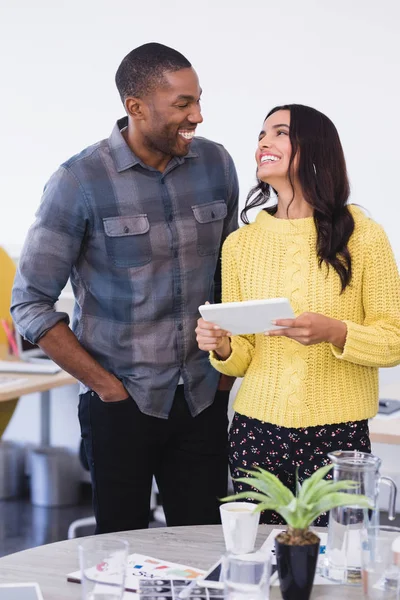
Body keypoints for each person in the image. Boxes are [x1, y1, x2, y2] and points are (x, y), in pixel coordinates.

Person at [11, 43, 239, 533]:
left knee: (203, 547)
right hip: (121, 404)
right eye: (182, 104)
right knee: (119, 554)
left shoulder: (217, 165)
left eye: (198, 100)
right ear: (135, 107)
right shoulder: (78, 181)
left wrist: (224, 378)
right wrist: (105, 387)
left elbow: (231, 278)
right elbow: (28, 303)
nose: (197, 115)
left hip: (202, 397)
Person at [196, 104, 400, 525]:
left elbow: (393, 338)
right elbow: (245, 357)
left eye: (280, 132)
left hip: (338, 435)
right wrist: (222, 346)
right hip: (256, 430)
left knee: (336, 563)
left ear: (314, 148)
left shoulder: (362, 235)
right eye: (261, 135)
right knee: (260, 558)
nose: (264, 143)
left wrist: (336, 332)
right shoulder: (240, 245)